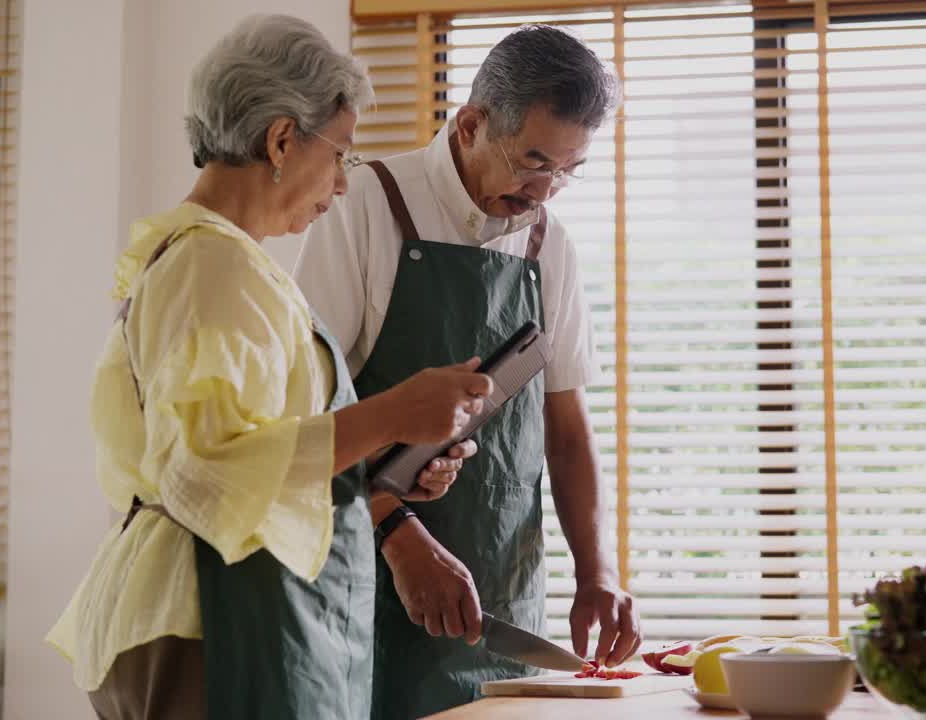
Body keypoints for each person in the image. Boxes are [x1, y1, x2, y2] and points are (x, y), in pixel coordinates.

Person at [46, 15, 492, 720]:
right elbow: (206, 473)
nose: (343, 185)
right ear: (282, 139)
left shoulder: (225, 262)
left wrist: (388, 461)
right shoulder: (210, 264)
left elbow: (257, 448)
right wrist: (391, 412)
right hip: (210, 621)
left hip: (228, 615)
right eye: (341, 154)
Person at [294, 23, 641, 720]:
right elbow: (307, 419)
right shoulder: (364, 205)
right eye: (532, 160)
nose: (545, 189)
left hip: (502, 596)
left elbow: (566, 429)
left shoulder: (552, 246)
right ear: (473, 123)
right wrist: (397, 534)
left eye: (569, 169)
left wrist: (596, 571)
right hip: (367, 583)